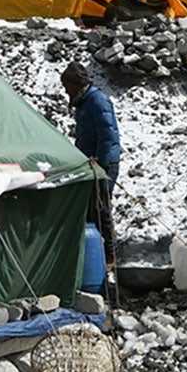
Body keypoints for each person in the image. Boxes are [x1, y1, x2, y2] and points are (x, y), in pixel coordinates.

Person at [62, 62, 120, 261]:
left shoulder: (97, 101)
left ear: (76, 84)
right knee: (91, 209)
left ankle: (110, 255)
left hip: (103, 165)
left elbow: (107, 135)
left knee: (100, 206)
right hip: (90, 164)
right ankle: (97, 255)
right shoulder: (83, 103)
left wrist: (101, 163)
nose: (66, 91)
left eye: (67, 86)